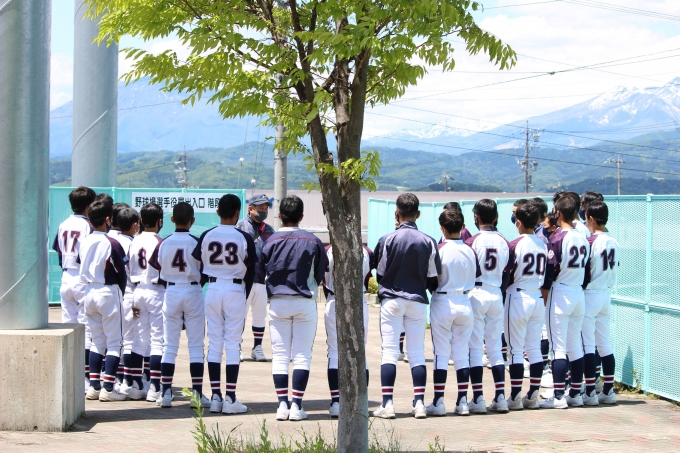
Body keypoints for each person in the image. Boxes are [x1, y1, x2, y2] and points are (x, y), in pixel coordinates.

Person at [372, 193, 441, 419]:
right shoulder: (428, 241)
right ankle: (419, 403)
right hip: (418, 300)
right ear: (418, 214)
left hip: (391, 299)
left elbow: (380, 273)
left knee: (389, 352)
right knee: (417, 353)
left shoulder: (387, 239)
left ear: (397, 213)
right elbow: (433, 277)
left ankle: (387, 404)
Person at [260, 195, 326, 421]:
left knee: (279, 355)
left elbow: (262, 270)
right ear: (302, 216)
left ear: (279, 215)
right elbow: (320, 273)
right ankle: (296, 405)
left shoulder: (269, 241)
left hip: (277, 301)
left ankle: (281, 405)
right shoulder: (313, 240)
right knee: (302, 355)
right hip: (304, 301)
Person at [192, 194, 256, 415]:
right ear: (238, 213)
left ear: (218, 212)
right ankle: (230, 397)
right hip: (235, 288)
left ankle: (216, 396)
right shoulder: (244, 237)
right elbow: (252, 269)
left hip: (212, 287)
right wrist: (244, 294)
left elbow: (199, 263)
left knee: (215, 343)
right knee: (233, 343)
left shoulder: (207, 235)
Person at [149, 202, 210, 408]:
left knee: (169, 346)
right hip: (193, 290)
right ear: (192, 220)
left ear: (172, 219)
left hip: (171, 291)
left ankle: (166, 393)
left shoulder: (164, 242)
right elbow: (205, 270)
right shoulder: (197, 242)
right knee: (196, 346)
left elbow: (155, 267)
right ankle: (197, 395)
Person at [427, 209, 478, 417]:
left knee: (441, 353)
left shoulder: (439, 249)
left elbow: (431, 279)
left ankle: (439, 401)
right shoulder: (470, 249)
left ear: (442, 228)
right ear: (462, 227)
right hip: (464, 300)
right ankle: (463, 401)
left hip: (443, 299)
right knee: (461, 354)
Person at [540, 195, 590, 409]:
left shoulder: (558, 238)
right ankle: (575, 394)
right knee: (575, 347)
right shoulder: (583, 237)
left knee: (558, 348)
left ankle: (559, 396)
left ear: (558, 213)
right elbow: (587, 271)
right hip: (578, 292)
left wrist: (544, 297)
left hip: (560, 292)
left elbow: (549, 273)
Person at [78, 200, 128, 402]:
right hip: (108, 290)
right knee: (115, 342)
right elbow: (121, 272)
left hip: (89, 290)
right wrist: (121, 292)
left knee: (96, 340)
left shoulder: (84, 241)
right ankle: (108, 388)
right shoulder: (111, 242)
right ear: (108, 219)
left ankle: (93, 386)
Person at [465, 199, 510, 414]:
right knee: (495, 348)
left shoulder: (472, 241)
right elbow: (508, 271)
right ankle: (500, 397)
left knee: (475, 347)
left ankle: (478, 398)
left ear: (476, 217)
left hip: (476, 292)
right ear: (496, 217)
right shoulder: (504, 241)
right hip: (496, 292)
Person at [503, 203, 548, 410]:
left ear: (518, 222)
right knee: (534, 349)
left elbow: (507, 274)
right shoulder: (543, 244)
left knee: (515, 350)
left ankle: (515, 397)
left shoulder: (514, 244)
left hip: (518, 296)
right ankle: (533, 395)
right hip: (537, 296)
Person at [53, 186, 96, 393]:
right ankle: (84, 377)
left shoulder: (63, 224)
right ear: (89, 206)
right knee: (85, 328)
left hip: (66, 276)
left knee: (68, 326)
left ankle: (67, 372)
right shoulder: (88, 225)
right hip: (81, 277)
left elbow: (58, 250)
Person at [323, 243, 373, 417]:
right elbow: (368, 276)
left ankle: (337, 402)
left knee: (334, 351)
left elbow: (323, 277)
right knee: (361, 350)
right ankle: (360, 403)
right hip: (359, 300)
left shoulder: (328, 249)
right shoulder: (366, 250)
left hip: (334, 298)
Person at [582, 201, 618, 405]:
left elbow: (584, 270)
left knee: (588, 344)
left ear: (592, 218)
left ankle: (589, 392)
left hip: (591, 293)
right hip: (605, 293)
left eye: (586, 218)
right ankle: (608, 390)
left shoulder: (590, 241)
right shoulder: (614, 241)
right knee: (604, 344)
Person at [128, 203, 166, 402]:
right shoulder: (160, 241)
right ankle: (155, 387)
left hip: (137, 293)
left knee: (138, 338)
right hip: (155, 291)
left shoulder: (134, 240)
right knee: (157, 339)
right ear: (160, 221)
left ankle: (136, 385)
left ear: (141, 220)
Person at [235, 194, 275, 362]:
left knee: (260, 315)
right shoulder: (240, 226)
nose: (263, 211)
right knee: (240, 315)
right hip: (243, 279)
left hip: (261, 279)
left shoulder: (269, 230)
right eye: (260, 208)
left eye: (266, 208)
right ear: (250, 208)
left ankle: (257, 347)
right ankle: (236, 346)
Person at [110, 208, 144, 399]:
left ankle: (120, 379)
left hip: (118, 295)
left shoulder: (113, 240)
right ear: (134, 225)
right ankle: (130, 381)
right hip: (133, 297)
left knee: (120, 338)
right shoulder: (134, 242)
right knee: (134, 338)